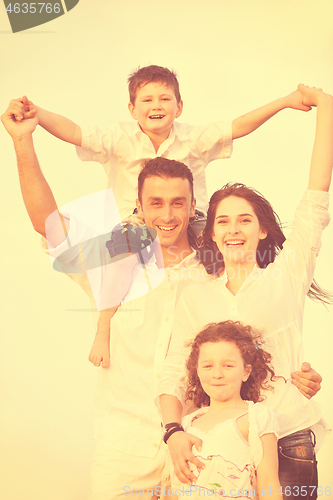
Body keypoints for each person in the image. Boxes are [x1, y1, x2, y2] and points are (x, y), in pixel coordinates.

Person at [12, 64, 312, 368]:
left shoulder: (193, 140)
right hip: (133, 225)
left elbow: (239, 125)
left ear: (179, 106)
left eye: (165, 99)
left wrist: (285, 101)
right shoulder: (119, 140)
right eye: (147, 100)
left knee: (227, 267)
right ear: (131, 109)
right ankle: (103, 328)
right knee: (122, 259)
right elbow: (74, 132)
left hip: (195, 223)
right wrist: (37, 114)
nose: (156, 105)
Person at [158, 85, 332, 499]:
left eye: (244, 220)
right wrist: (172, 432)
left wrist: (326, 107)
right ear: (212, 233)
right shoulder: (195, 290)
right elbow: (175, 367)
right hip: (216, 444)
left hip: (288, 435)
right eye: (223, 222)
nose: (233, 229)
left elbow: (315, 198)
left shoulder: (288, 273)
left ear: (263, 228)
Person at [168, 321, 281, 500]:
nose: (217, 374)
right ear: (196, 371)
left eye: (228, 366)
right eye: (207, 366)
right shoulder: (187, 424)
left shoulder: (256, 418)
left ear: (246, 372)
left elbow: (269, 484)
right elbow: (176, 487)